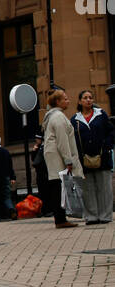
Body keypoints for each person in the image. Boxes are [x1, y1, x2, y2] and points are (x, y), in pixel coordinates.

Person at [42, 86, 84, 229]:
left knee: (56, 186)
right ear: (58, 101)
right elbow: (62, 141)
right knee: (58, 188)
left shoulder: (51, 116)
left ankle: (60, 218)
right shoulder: (59, 117)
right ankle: (60, 219)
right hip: (58, 157)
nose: (68, 101)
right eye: (65, 99)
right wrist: (68, 160)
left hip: (53, 156)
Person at [71, 88, 114, 225]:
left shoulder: (101, 115)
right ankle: (91, 216)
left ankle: (105, 216)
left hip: (103, 158)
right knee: (88, 189)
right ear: (80, 101)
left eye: (90, 97)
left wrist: (107, 146)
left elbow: (111, 132)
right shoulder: (75, 120)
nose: (88, 100)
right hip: (84, 160)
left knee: (104, 188)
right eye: (85, 98)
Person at [30, 130, 50, 214]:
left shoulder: (44, 147)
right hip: (40, 173)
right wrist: (34, 151)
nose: (36, 140)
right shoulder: (38, 148)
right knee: (42, 192)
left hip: (44, 173)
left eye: (37, 139)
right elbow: (34, 160)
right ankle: (45, 209)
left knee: (46, 192)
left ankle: (48, 209)